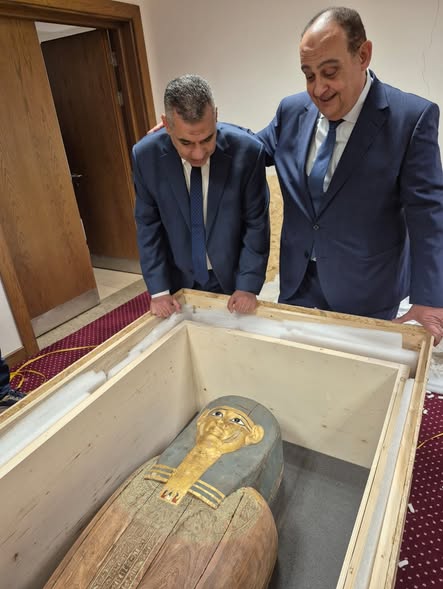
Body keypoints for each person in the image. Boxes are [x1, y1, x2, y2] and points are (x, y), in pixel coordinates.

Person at [257, 6, 443, 344]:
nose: (319, 89)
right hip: (299, 282)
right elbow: (250, 151)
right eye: (309, 75)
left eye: (330, 72)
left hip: (367, 289)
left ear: (363, 55)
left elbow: (428, 215)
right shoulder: (292, 111)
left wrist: (430, 297)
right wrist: (196, 134)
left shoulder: (410, 119)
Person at [133, 74, 270, 318]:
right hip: (177, 277)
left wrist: (247, 285)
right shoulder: (146, 156)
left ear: (215, 116)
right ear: (166, 124)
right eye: (186, 142)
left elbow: (256, 224)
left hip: (231, 276)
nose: (198, 154)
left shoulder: (248, 152)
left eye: (207, 139)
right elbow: (148, 226)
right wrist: (159, 290)